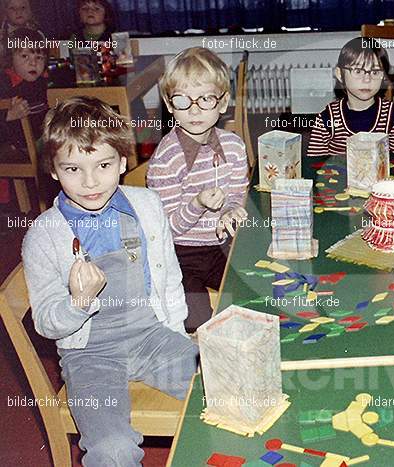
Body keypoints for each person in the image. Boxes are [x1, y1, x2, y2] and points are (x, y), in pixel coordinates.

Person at [22, 96, 198, 466]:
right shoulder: (43, 235)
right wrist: (78, 301)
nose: (89, 182)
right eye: (72, 169)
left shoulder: (148, 207)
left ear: (122, 161)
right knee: (112, 449)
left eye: (102, 165)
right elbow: (46, 322)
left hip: (153, 337)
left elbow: (169, 278)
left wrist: (179, 334)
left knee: (229, 391)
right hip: (90, 356)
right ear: (53, 170)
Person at [147, 47, 249, 332]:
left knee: (253, 293)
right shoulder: (166, 159)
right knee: (197, 320)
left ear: (223, 102)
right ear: (170, 104)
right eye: (182, 100)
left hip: (220, 247)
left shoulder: (234, 146)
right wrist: (198, 203)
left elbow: (238, 195)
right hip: (181, 253)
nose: (194, 110)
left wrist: (230, 210)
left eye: (205, 99)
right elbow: (168, 227)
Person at [307, 37, 394, 156]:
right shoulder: (327, 118)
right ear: (340, 74)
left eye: (375, 72)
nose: (367, 79)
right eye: (357, 71)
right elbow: (315, 165)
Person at [0, 27, 48, 213]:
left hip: (38, 141)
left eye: (38, 58)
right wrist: (8, 115)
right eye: (24, 57)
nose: (33, 63)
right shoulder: (5, 82)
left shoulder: (43, 82)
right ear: (11, 60)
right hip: (13, 144)